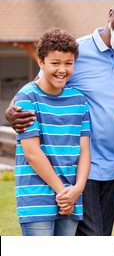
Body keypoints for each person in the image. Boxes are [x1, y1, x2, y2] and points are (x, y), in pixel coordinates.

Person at [5, 0, 114, 236]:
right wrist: (12, 110)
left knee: (102, 237)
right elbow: (38, 84)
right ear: (111, 13)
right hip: (81, 166)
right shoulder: (76, 51)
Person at [14, 28, 91, 236]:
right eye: (55, 63)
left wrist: (77, 190)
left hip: (71, 197)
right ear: (41, 62)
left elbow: (84, 150)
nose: (62, 70)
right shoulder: (27, 98)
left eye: (68, 63)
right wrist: (63, 192)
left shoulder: (79, 101)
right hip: (36, 198)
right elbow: (32, 153)